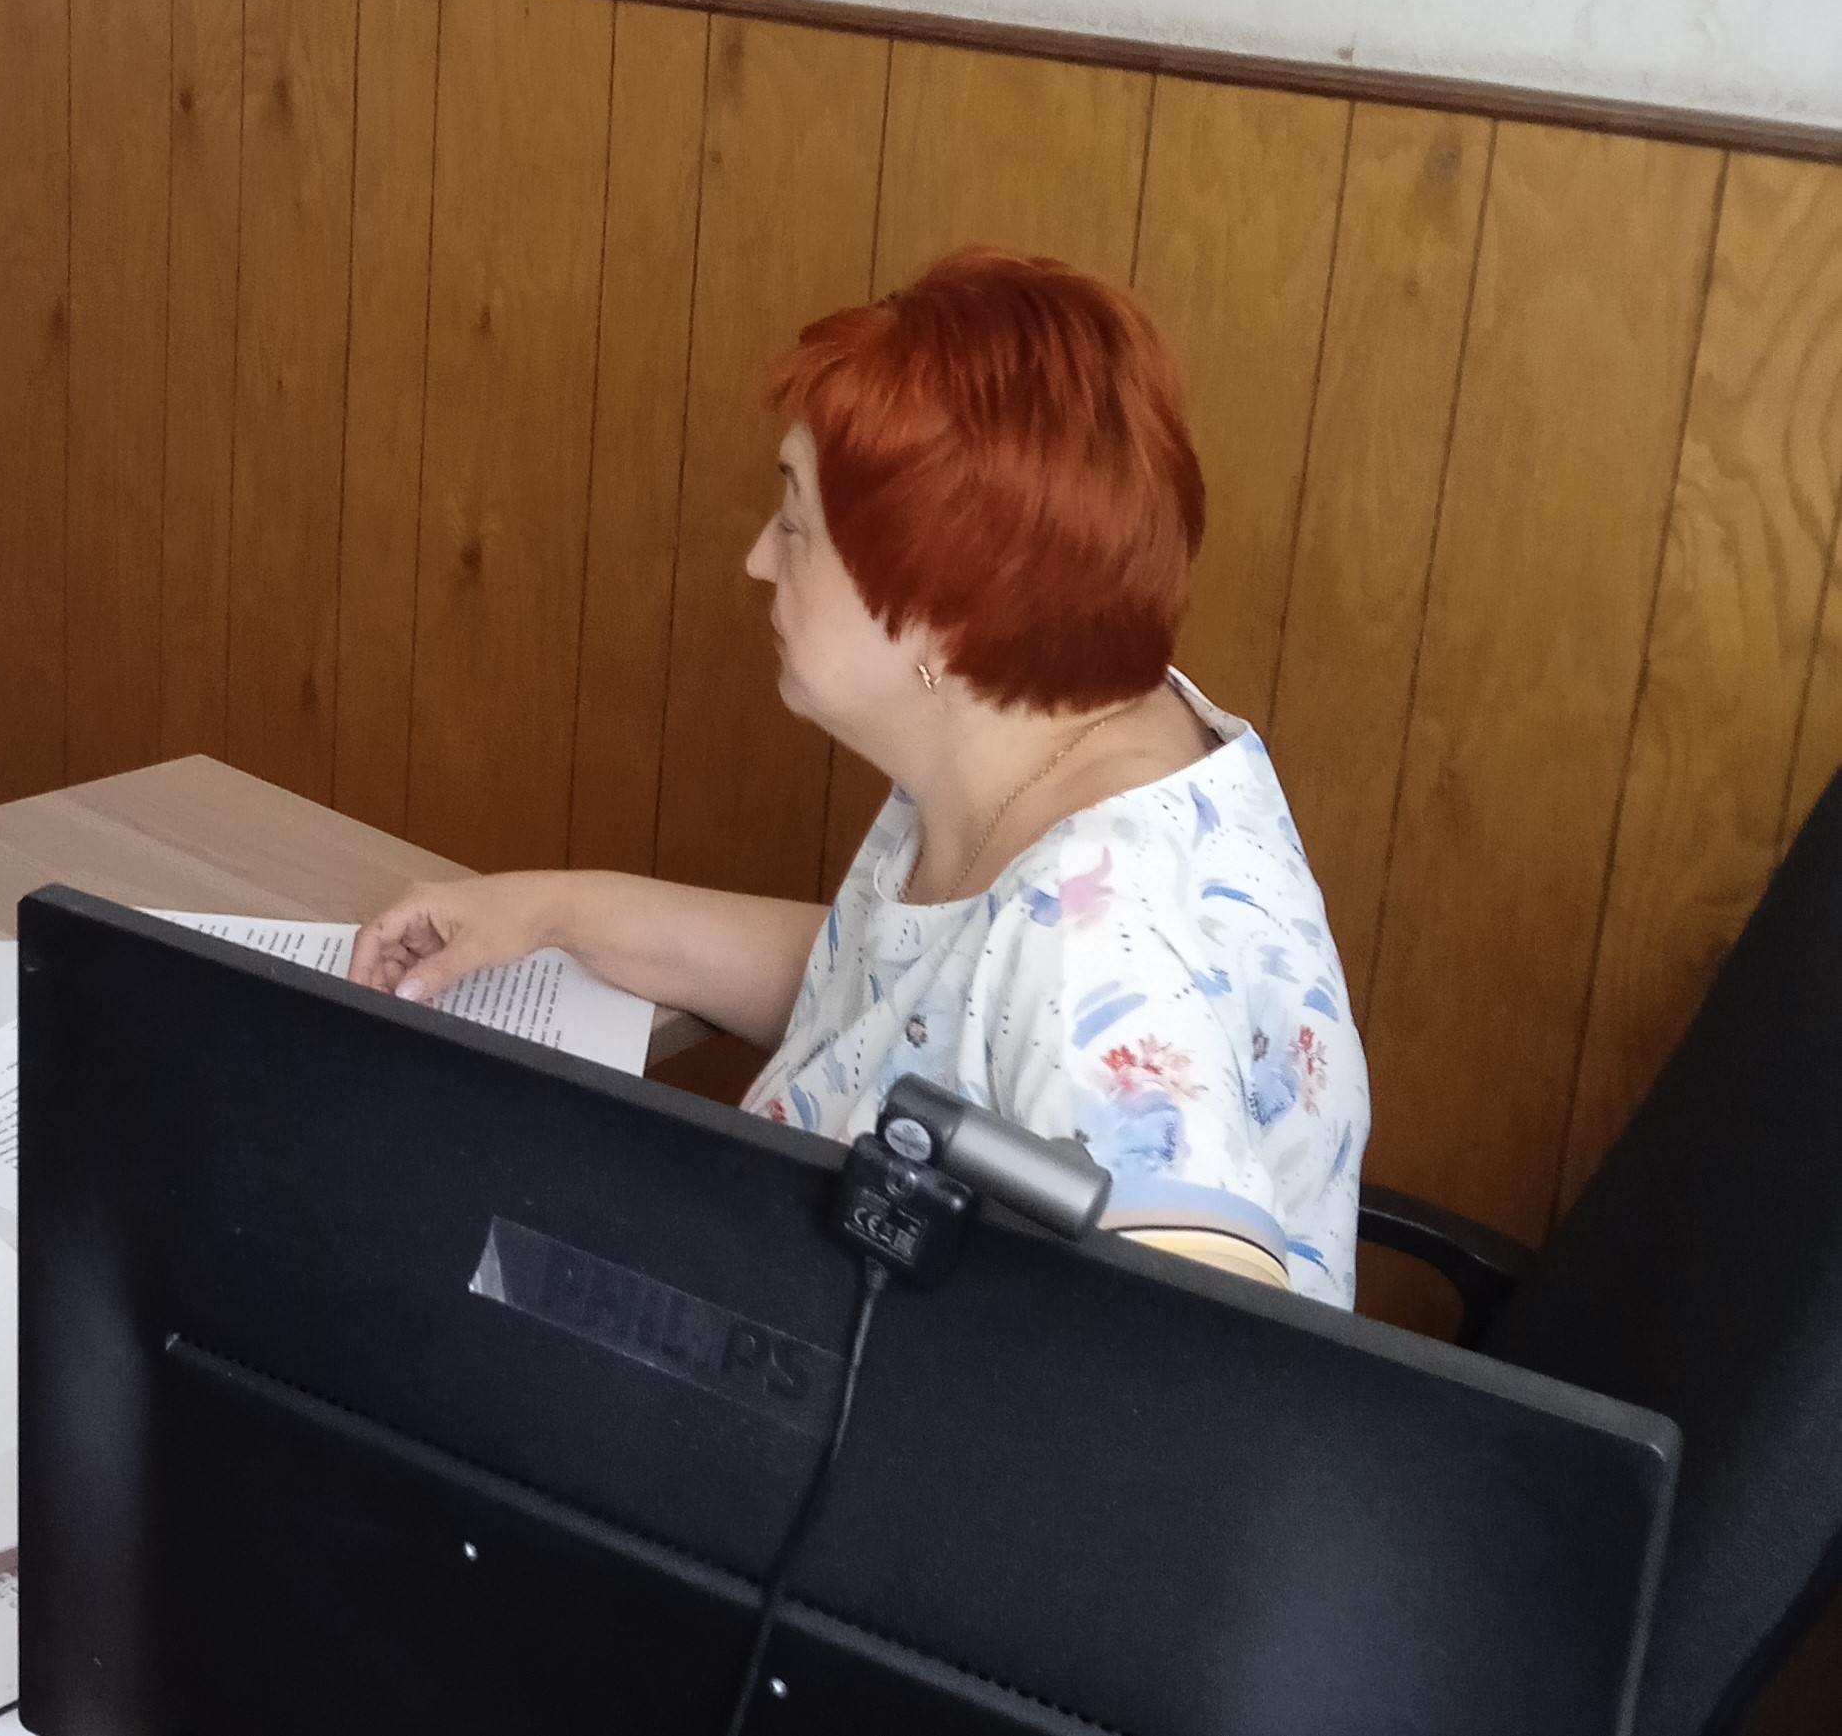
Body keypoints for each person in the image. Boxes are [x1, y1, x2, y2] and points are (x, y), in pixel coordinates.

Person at [353, 247, 1370, 1304]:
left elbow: (1194, 1353)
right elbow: (893, 982)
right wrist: (548, 911)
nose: (758, 558)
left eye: (794, 524)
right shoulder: (1034, 719)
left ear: (941, 606)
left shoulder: (1102, 959)